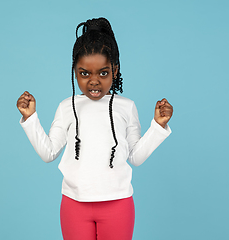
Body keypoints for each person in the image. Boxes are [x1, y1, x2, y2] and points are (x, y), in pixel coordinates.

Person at [17, 17, 173, 240]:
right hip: (74, 205)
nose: (93, 81)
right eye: (84, 73)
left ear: (115, 70)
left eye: (103, 73)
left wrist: (158, 126)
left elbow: (135, 157)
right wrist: (30, 118)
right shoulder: (67, 107)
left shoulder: (126, 107)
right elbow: (48, 152)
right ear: (75, 72)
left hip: (118, 204)